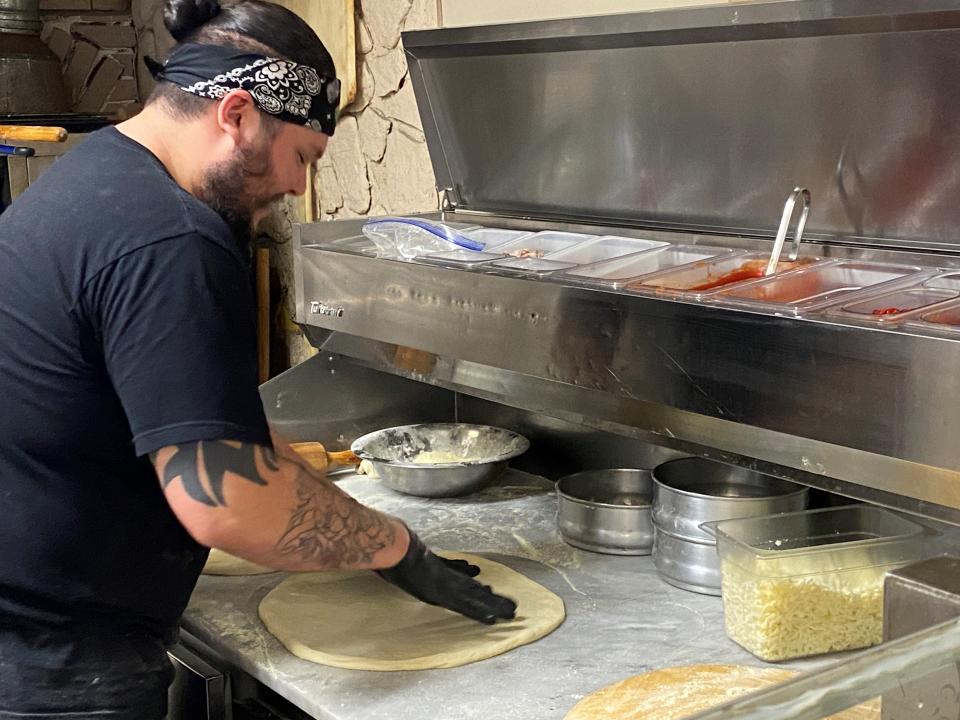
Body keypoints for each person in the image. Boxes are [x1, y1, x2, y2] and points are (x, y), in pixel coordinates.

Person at [0, 1, 516, 718]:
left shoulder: (95, 181)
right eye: (301, 156)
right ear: (237, 114)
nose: (300, 187)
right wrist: (397, 549)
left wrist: (295, 482)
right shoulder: (172, 240)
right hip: (55, 668)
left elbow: (181, 418)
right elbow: (225, 502)